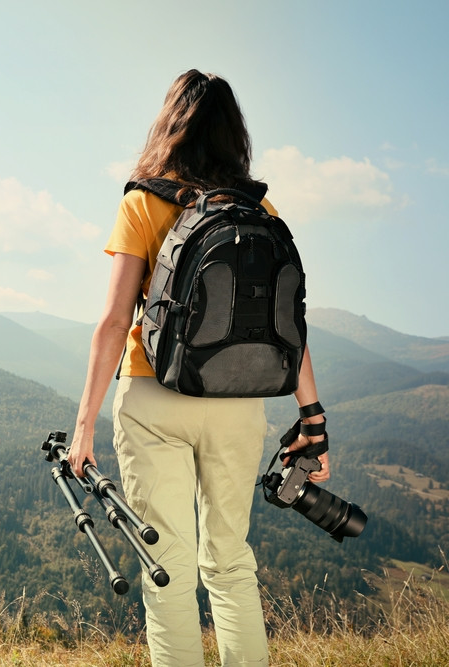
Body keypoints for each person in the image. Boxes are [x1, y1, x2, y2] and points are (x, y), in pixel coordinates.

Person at [66, 69, 330, 666]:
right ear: (234, 134)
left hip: (154, 397)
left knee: (168, 569)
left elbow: (114, 322)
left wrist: (83, 427)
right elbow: (289, 326)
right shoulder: (261, 209)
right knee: (231, 562)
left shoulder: (143, 201)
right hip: (239, 402)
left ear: (170, 125)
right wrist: (311, 416)